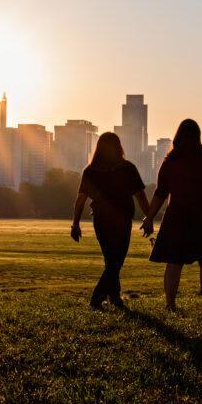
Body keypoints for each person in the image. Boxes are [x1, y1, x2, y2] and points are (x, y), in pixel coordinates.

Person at [141, 119, 202, 311]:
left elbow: (160, 193)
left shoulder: (170, 161)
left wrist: (149, 216)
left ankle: (170, 304)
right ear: (198, 136)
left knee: (174, 262)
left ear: (178, 136)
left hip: (177, 217)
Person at [70, 132, 150, 310]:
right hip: (122, 220)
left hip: (101, 220)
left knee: (111, 261)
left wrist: (75, 223)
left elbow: (80, 200)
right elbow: (141, 197)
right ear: (119, 147)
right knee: (116, 261)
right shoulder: (128, 168)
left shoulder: (90, 171)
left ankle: (115, 297)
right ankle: (97, 297)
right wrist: (149, 217)